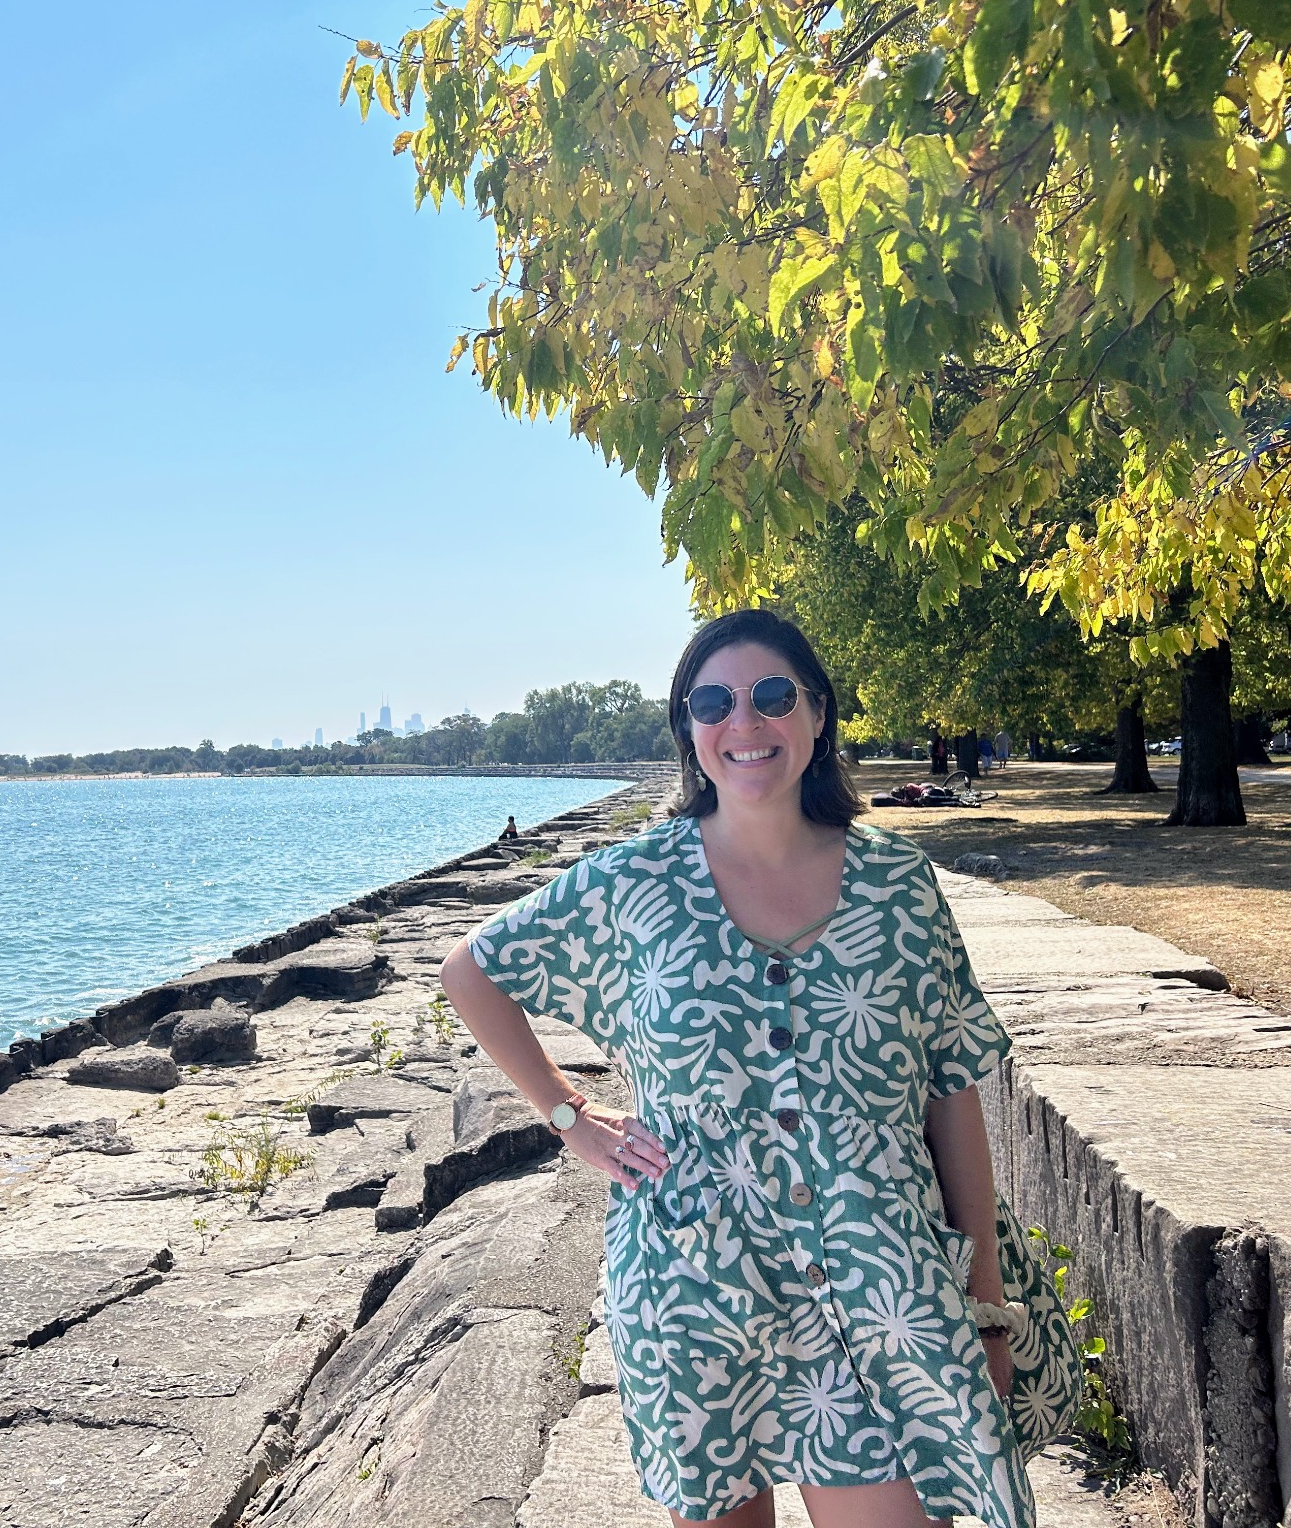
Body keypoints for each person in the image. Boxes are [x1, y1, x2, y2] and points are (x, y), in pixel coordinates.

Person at [440, 609, 1035, 1528]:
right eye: (711, 701)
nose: (743, 724)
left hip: (880, 1278)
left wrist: (986, 1298)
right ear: (687, 727)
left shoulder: (899, 887)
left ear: (817, 714)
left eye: (771, 697)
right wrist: (571, 1119)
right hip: (693, 1286)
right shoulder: (631, 884)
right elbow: (471, 971)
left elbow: (951, 1089)